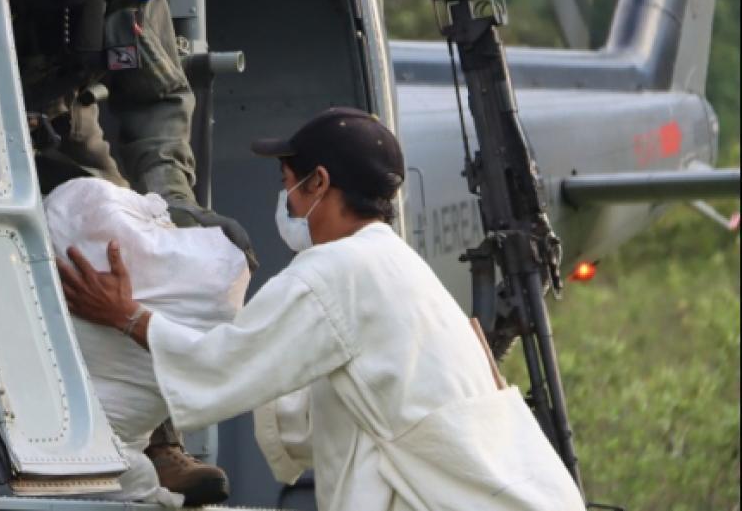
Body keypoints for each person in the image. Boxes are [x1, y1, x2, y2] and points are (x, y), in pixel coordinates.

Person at [58, 108, 585, 511]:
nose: (284, 198)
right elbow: (319, 408)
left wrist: (127, 316)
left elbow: (223, 363)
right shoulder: (392, 260)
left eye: (288, 183)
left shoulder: (333, 272)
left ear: (320, 184)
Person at [0, 0, 251, 502]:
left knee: (125, 245)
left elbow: (159, 98)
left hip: (61, 120)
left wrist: (168, 203)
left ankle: (157, 442)